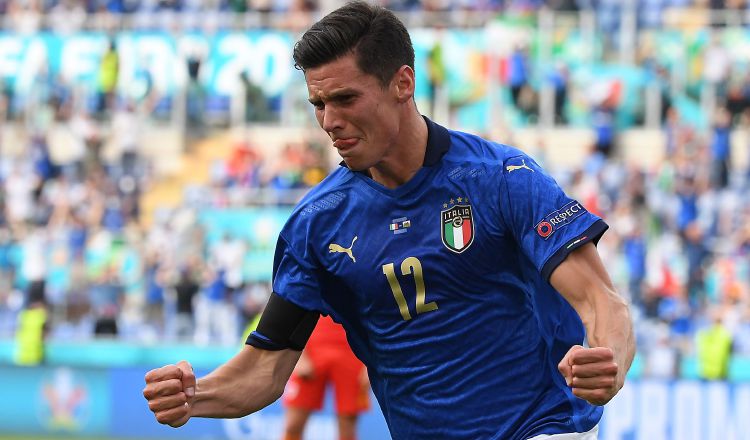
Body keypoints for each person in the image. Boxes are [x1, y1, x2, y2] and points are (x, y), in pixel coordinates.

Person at [143, 3, 635, 439]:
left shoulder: (502, 179)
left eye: (345, 99)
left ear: (403, 83)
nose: (329, 120)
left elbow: (601, 302)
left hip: (540, 429)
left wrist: (607, 361)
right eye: (318, 104)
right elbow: (265, 369)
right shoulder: (316, 226)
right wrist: (195, 396)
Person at [282, 315, 369, 440]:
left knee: (347, 426)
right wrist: (298, 354)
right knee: (293, 424)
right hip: (310, 347)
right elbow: (288, 304)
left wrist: (369, 363)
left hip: (352, 351)